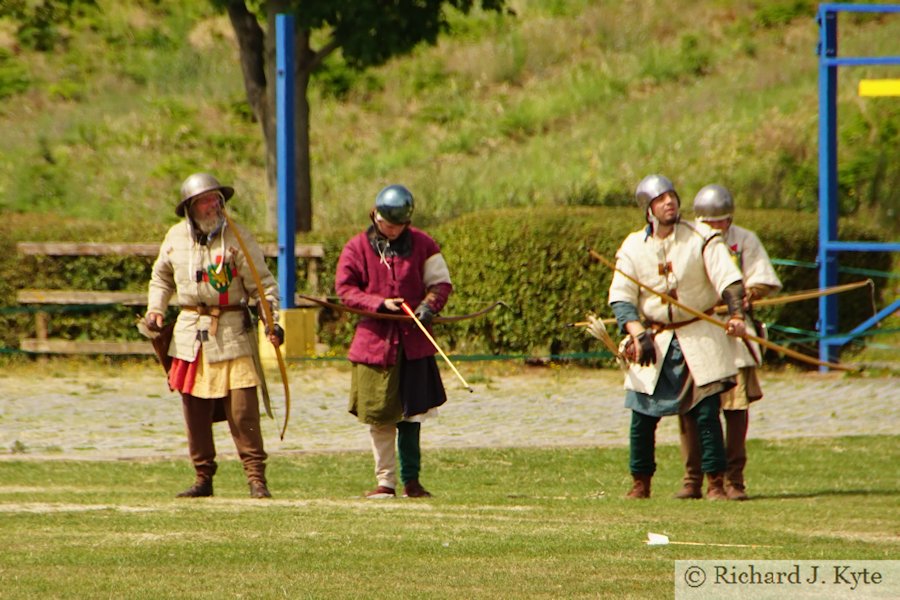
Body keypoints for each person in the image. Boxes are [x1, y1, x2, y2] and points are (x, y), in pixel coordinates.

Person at [587, 174, 748, 500]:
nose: (669, 203)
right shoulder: (633, 246)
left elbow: (729, 280)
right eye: (661, 199)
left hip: (698, 335)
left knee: (705, 415)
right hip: (655, 339)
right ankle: (640, 483)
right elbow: (621, 297)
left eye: (672, 196)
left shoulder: (702, 237)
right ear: (649, 209)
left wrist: (736, 316)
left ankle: (714, 483)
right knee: (642, 417)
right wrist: (637, 333)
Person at [145, 172, 283, 499]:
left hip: (233, 331)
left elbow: (262, 286)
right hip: (190, 334)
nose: (213, 206)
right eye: (205, 201)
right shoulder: (175, 238)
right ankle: (202, 477)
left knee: (243, 411)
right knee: (195, 412)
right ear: (190, 208)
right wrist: (156, 309)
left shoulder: (238, 238)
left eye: (216, 199)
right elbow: (161, 279)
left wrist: (271, 320)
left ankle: (256, 479)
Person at [335, 184, 453, 499]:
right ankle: (385, 482)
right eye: (388, 224)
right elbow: (345, 290)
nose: (394, 230)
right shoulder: (356, 248)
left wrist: (428, 307)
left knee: (412, 416)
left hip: (414, 344)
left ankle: (411, 481)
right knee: (381, 416)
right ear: (375, 215)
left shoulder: (424, 244)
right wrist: (377, 303)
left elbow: (440, 283)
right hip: (374, 346)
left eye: (400, 226)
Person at [676, 184, 783, 501]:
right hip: (695, 332)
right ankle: (693, 479)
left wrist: (745, 293)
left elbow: (761, 278)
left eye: (724, 221)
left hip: (734, 334)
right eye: (712, 222)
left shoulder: (744, 239)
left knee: (735, 408)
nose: (718, 228)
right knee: (692, 408)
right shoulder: (686, 240)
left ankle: (733, 479)